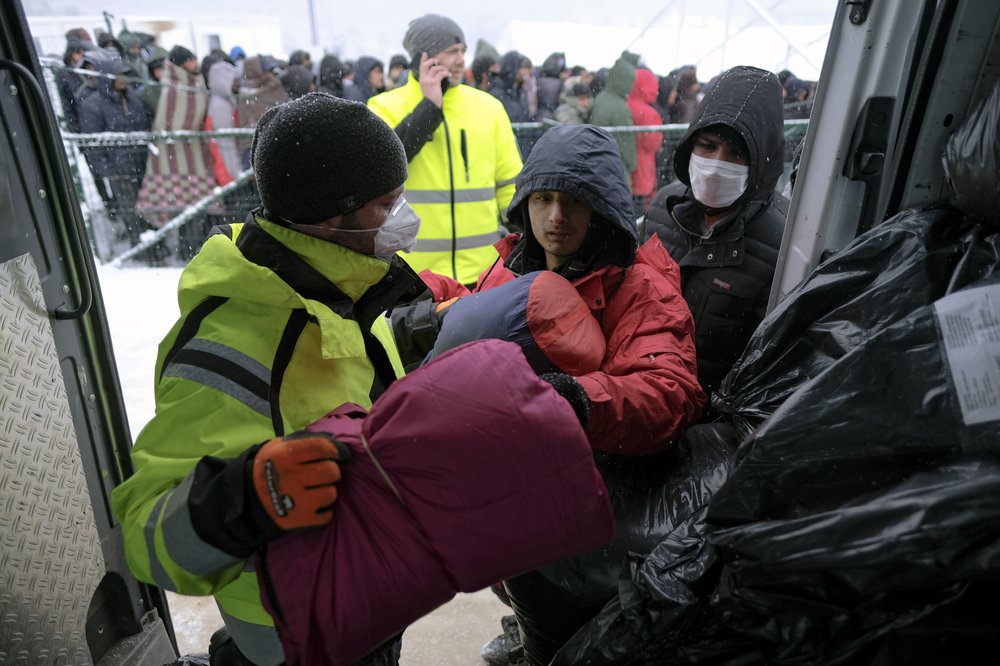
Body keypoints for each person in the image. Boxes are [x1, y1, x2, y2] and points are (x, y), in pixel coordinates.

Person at [111, 92, 423, 666]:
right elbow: (145, 534)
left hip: (360, 593)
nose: (405, 219)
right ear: (332, 215)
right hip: (291, 623)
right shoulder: (232, 341)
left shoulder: (341, 288)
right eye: (387, 204)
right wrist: (247, 497)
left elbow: (338, 393)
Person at [403, 123, 705, 666]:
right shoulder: (516, 260)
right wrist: (416, 291)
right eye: (542, 199)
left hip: (591, 492)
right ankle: (526, 624)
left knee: (570, 621)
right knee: (515, 575)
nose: (555, 218)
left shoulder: (639, 285)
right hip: (517, 483)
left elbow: (668, 390)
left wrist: (577, 399)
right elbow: (477, 307)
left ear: (604, 209)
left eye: (574, 202)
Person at [643, 65, 787, 402]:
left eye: (737, 153)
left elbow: (761, 364)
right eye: (707, 146)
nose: (717, 164)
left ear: (761, 162)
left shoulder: (782, 240)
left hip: (708, 416)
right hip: (641, 393)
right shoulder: (664, 207)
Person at [368, 13, 522, 287]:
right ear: (422, 57)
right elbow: (381, 170)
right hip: (412, 274)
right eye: (451, 51)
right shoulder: (382, 107)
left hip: (483, 273)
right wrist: (429, 107)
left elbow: (511, 187)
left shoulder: (489, 108)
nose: (461, 59)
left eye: (462, 50)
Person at [77, 58, 153, 247]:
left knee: (148, 204)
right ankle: (141, 246)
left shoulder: (133, 97)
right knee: (130, 209)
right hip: (119, 169)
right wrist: (109, 171)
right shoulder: (92, 104)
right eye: (118, 75)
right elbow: (92, 143)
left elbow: (145, 123)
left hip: (142, 163)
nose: (123, 79)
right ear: (106, 78)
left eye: (124, 74)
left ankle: (154, 241)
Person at [589, 51, 638, 186]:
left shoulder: (601, 97)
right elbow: (626, 140)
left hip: (598, 159)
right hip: (616, 164)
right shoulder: (619, 106)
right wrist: (632, 162)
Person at [627, 67, 664, 214]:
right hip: (643, 167)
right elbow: (653, 144)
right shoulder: (649, 113)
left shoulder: (625, 105)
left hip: (627, 168)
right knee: (640, 212)